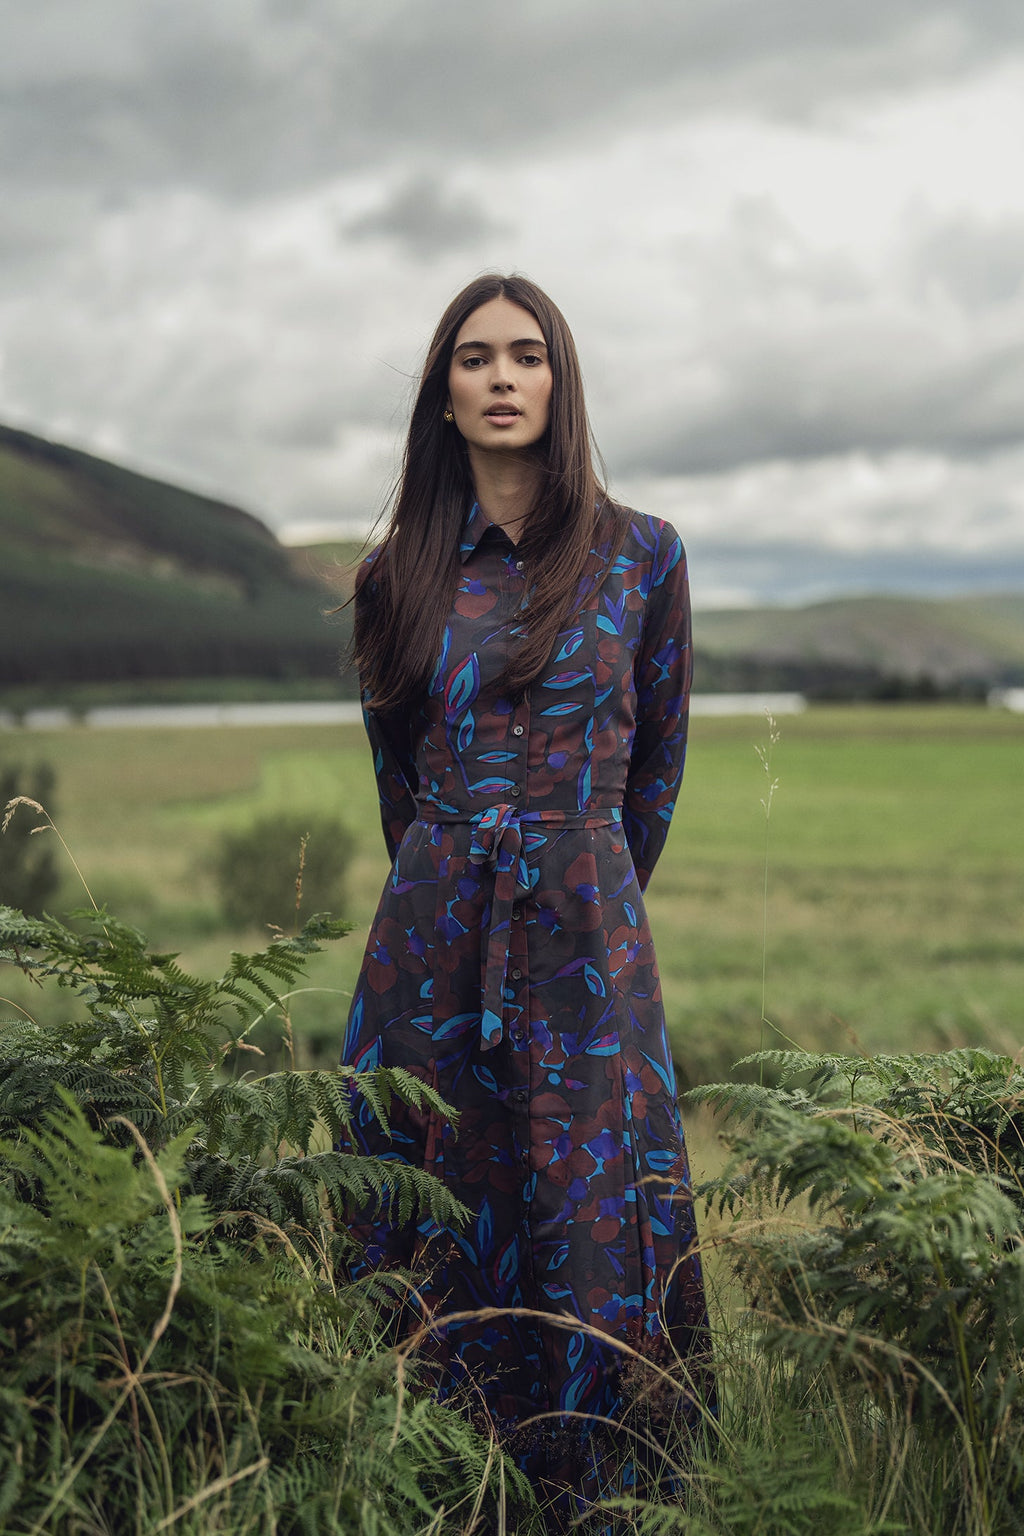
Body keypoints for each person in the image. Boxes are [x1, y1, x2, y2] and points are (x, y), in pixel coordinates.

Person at [342, 273, 710, 1523]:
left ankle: (603, 1491)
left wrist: (580, 881)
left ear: (560, 383)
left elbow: (652, 772)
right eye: (473, 359)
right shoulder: (394, 575)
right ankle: (426, 1478)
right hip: (431, 930)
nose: (501, 377)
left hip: (588, 934)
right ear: (442, 398)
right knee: (432, 1187)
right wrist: (460, 873)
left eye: (527, 354)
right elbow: (397, 777)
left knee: (588, 1200)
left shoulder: (641, 556)